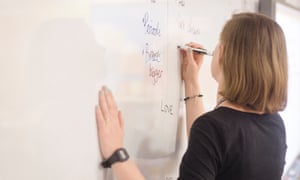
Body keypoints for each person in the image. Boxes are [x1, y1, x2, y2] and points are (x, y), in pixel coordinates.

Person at [95, 12, 288, 180]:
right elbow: (212, 148)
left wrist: (116, 153)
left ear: (222, 53)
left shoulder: (214, 128)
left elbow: (213, 138)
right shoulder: (274, 125)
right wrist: (191, 81)